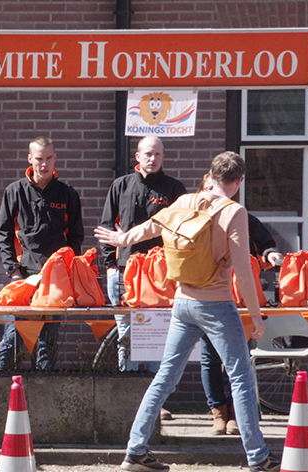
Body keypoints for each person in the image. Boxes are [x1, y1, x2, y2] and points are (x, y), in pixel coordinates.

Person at [95, 151, 281, 472]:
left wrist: (123, 238)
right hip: (217, 305)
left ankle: (135, 451)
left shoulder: (184, 201)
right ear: (239, 181)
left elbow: (151, 227)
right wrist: (256, 316)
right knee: (240, 378)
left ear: (210, 174)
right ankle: (258, 457)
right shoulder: (234, 212)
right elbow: (243, 271)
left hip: (182, 303)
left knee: (165, 377)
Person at [100, 136, 186, 422]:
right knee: (126, 334)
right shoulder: (120, 185)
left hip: (159, 275)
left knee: (155, 337)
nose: (153, 159)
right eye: (148, 154)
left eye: (158, 154)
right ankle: (129, 396)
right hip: (123, 272)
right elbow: (104, 227)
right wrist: (110, 264)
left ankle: (155, 401)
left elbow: (182, 231)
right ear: (137, 157)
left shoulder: (174, 189)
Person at [196, 174, 284, 436]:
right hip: (206, 294)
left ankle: (236, 413)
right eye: (210, 189)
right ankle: (218, 414)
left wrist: (270, 254)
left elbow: (264, 243)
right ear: (203, 191)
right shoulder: (195, 217)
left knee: (239, 358)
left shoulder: (240, 215)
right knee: (210, 358)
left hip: (240, 300)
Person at [0, 136, 84, 371]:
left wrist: (67, 269)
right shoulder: (14, 191)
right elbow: (3, 234)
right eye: (39, 159)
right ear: (29, 159)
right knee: (12, 340)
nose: (44, 164)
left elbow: (76, 237)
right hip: (23, 276)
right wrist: (13, 270)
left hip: (56, 280)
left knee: (47, 343)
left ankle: (44, 394)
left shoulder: (67, 194)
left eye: (48, 158)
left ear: (55, 159)